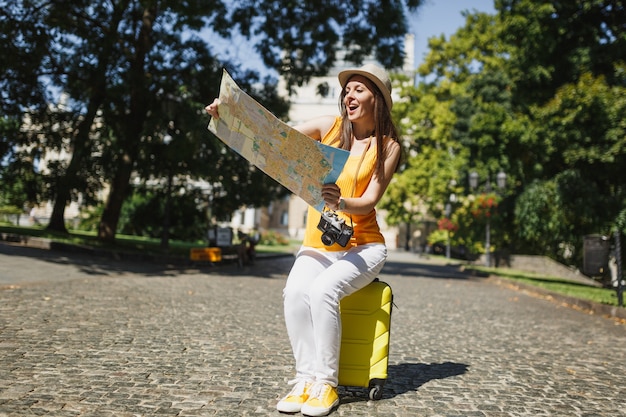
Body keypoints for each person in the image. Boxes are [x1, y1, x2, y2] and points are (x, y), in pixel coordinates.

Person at [205, 63, 401, 416]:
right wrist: (229, 115)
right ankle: (304, 380)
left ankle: (326, 384)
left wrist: (341, 202)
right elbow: (277, 136)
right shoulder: (330, 126)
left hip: (364, 246)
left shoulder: (388, 147)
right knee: (295, 292)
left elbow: (371, 199)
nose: (348, 95)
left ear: (377, 99)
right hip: (319, 244)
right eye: (347, 89)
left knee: (323, 291)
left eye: (358, 89)